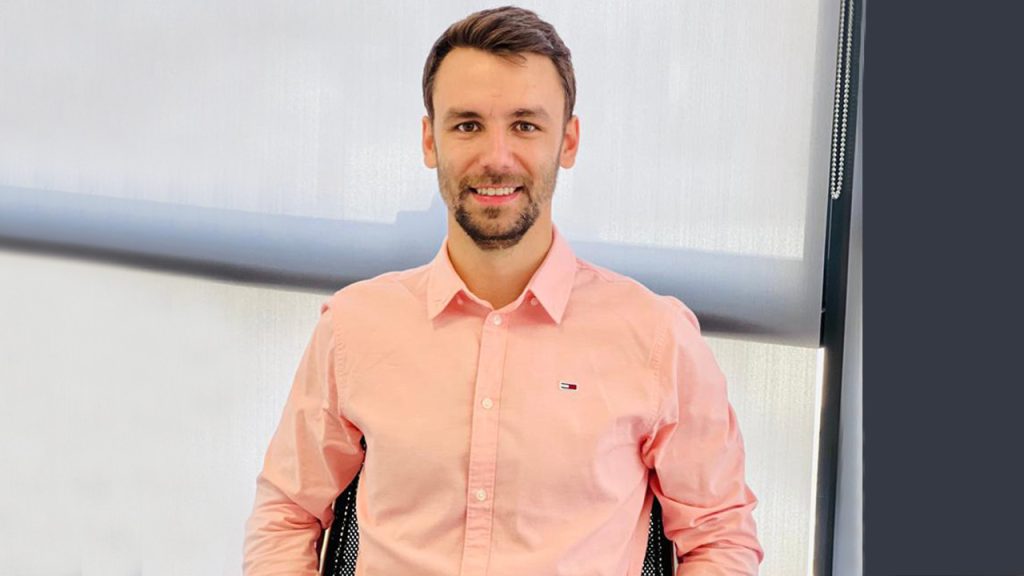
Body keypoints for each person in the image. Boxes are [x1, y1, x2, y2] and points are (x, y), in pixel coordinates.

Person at [244, 6, 763, 575]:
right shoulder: (353, 326)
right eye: (467, 125)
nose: (496, 158)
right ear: (429, 141)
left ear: (567, 141)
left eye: (525, 125)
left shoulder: (655, 338)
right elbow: (287, 512)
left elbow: (720, 538)